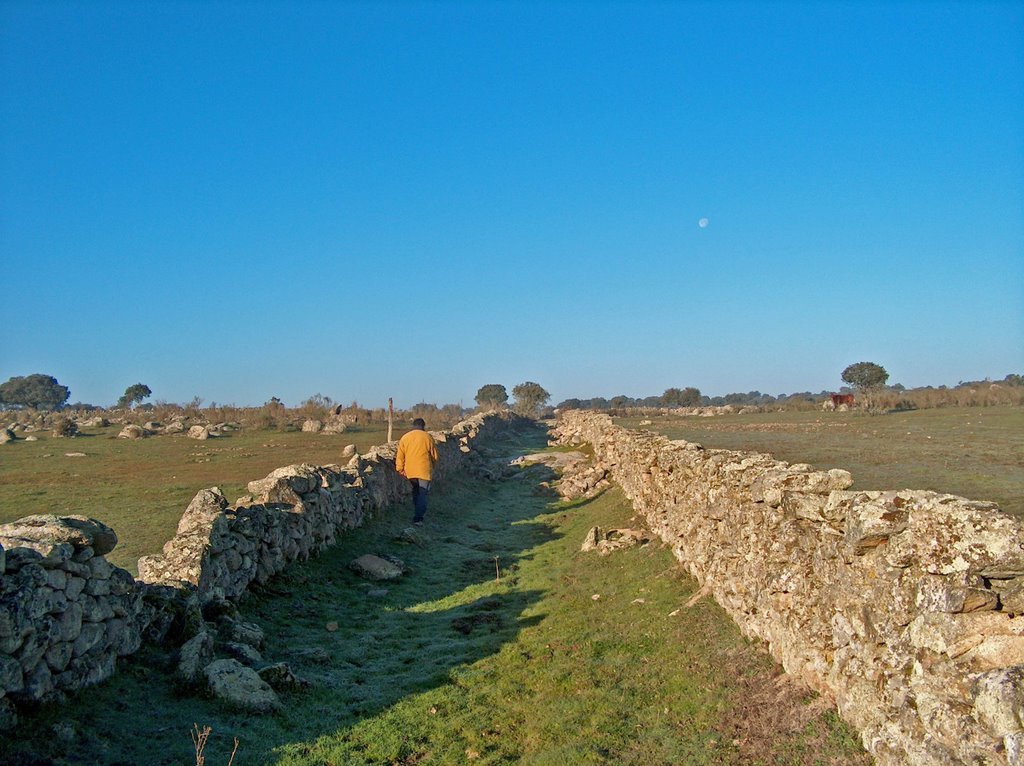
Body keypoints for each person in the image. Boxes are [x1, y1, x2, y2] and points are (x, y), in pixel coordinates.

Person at [395, 417, 438, 524]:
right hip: (424, 470)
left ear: (413, 426)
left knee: (415, 491)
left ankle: (417, 512)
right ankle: (418, 518)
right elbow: (434, 455)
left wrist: (400, 469)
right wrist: (433, 466)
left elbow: (400, 456)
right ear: (423, 426)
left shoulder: (405, 438)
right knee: (422, 493)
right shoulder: (427, 437)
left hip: (410, 471)